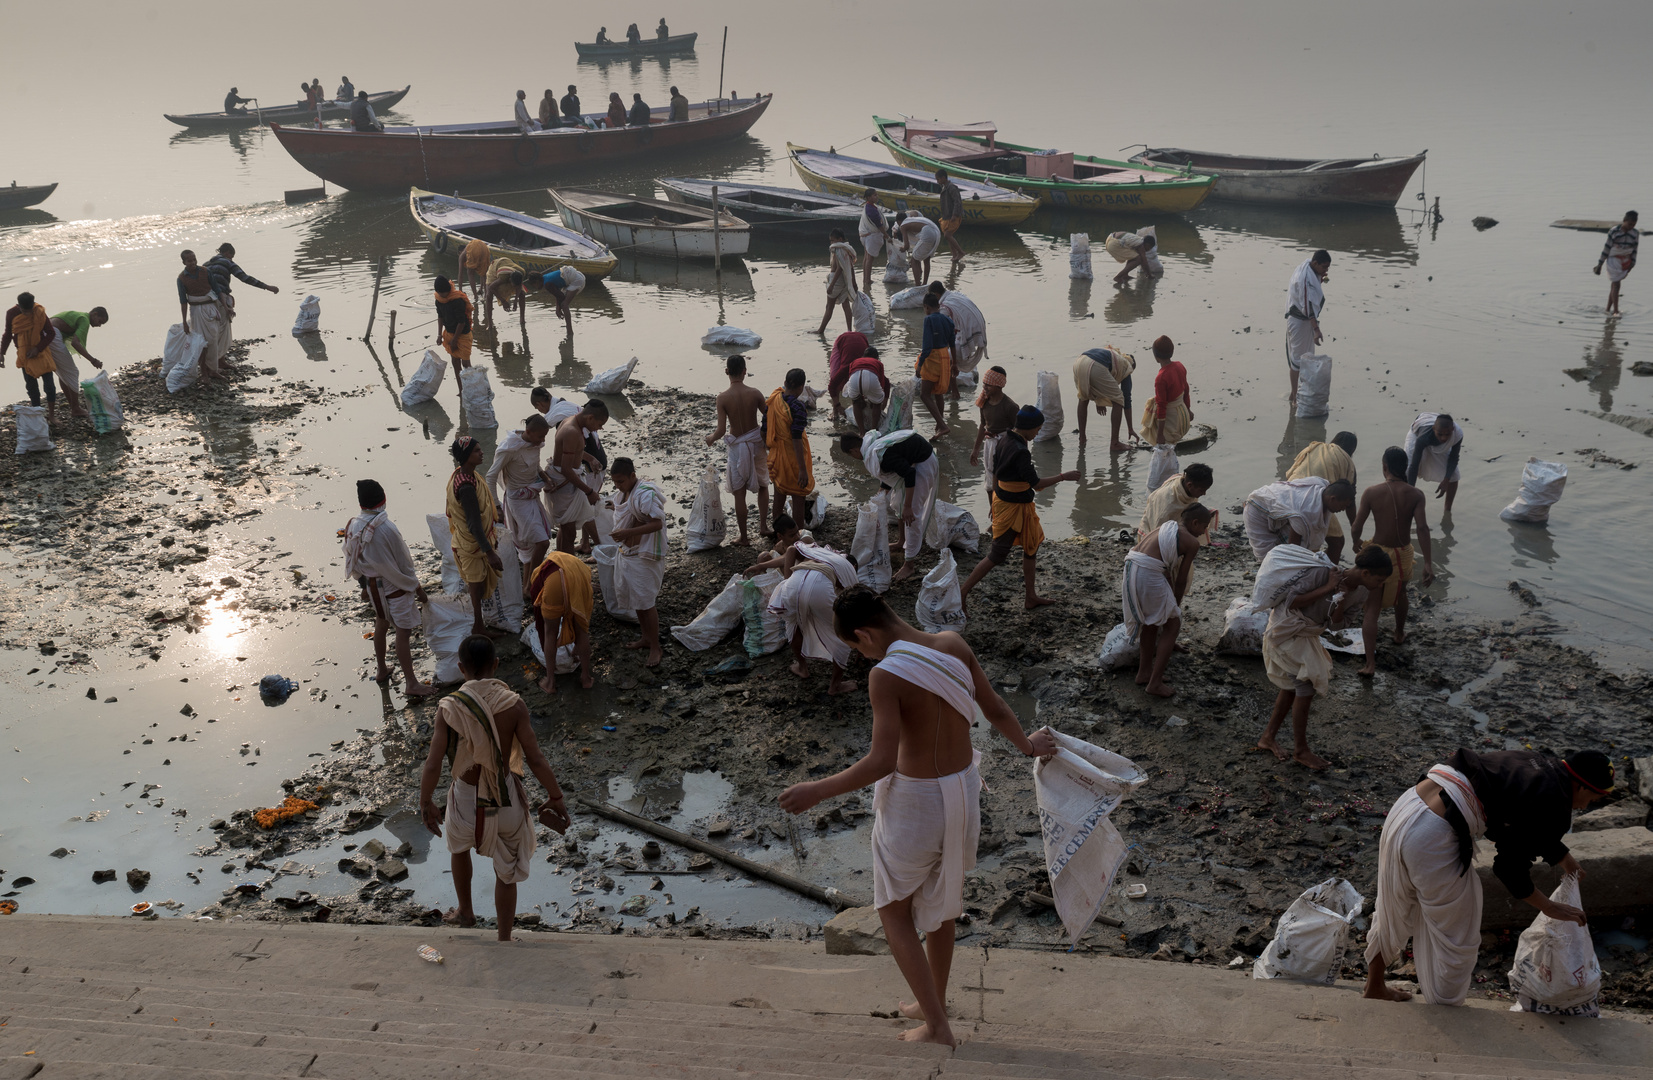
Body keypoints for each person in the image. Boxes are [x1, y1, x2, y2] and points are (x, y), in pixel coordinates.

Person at [778, 587, 1057, 1047]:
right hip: (964, 790)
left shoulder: (886, 676)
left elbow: (881, 762)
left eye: (857, 649)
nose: (864, 658)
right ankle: (934, 1003)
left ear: (864, 634)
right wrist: (1029, 746)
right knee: (942, 901)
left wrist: (817, 790)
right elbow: (996, 708)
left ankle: (937, 1027)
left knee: (893, 909)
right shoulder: (953, 644)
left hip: (917, 801)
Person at [1363, 748, 1613, 1006]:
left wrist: (1566, 860)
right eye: (1592, 798)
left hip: (1409, 805)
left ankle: (1375, 985)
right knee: (1459, 938)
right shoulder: (1555, 802)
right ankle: (1445, 1009)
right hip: (1431, 833)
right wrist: (1549, 907)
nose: (1586, 806)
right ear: (1582, 787)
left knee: (1394, 902)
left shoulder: (1537, 762)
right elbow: (1509, 868)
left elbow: (1527, 824)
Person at [419, 635, 570, 940]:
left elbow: (433, 764)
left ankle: (465, 911)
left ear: (461, 668)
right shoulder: (513, 704)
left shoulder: (449, 708)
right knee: (508, 869)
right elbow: (536, 759)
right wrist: (556, 796)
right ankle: (503, 936)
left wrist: (426, 802)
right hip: (504, 798)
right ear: (496, 665)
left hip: (464, 799)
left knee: (459, 849)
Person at [1257, 545, 1392, 770]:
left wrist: (1340, 600)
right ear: (1366, 573)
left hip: (1307, 633)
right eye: (1379, 580)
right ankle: (1300, 750)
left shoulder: (1362, 592)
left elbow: (1338, 625)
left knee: (1293, 687)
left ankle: (1268, 737)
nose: (1380, 586)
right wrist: (1329, 587)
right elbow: (1292, 601)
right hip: (1286, 626)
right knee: (1305, 684)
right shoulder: (1325, 573)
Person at [956, 406, 1081, 609]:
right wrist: (1062, 476)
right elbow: (1036, 483)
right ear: (1028, 428)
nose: (1038, 433)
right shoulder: (1020, 451)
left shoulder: (1005, 438)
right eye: (1037, 429)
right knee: (997, 555)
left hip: (1009, 500)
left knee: (1031, 546)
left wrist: (995, 497)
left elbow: (996, 470)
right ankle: (962, 592)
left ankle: (1030, 596)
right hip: (1012, 507)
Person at [344, 479, 438, 698]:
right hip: (393, 587)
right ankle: (411, 683)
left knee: (381, 623)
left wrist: (363, 584)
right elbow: (405, 565)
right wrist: (419, 591)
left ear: (362, 504)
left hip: (373, 587)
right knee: (402, 633)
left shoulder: (353, 526)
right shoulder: (386, 528)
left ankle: (382, 669)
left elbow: (351, 558)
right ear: (383, 499)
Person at [1350, 446, 1436, 677]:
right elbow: (1422, 528)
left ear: (1384, 467)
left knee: (1373, 608)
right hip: (1403, 553)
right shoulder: (1416, 494)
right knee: (1402, 595)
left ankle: (1369, 665)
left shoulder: (1371, 492)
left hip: (1377, 554)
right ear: (1404, 468)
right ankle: (1399, 634)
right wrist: (1428, 562)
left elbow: (1356, 526)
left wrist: (1356, 542)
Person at [747, 541, 860, 695]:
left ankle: (802, 668)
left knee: (793, 624)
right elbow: (854, 611)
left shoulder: (818, 551)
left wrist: (786, 580)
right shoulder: (848, 569)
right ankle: (835, 686)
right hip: (820, 587)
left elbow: (792, 549)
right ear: (853, 566)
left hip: (793, 584)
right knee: (841, 633)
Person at [1123, 504, 1211, 698]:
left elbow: (1166, 569)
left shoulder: (1167, 526)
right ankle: (1154, 683)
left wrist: (1169, 602)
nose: (1204, 532)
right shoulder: (1191, 543)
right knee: (1172, 625)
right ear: (1195, 523)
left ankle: (1144, 673)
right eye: (1204, 527)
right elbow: (1181, 579)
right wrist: (1175, 608)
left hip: (1132, 567)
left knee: (1151, 621)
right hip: (1146, 571)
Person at [841, 429, 941, 585]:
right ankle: (901, 541)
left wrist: (908, 506)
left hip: (923, 462)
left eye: (851, 456)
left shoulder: (879, 454)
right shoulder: (872, 443)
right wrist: (881, 494)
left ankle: (909, 565)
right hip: (913, 460)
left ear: (854, 450)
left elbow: (908, 474)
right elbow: (892, 471)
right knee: (897, 502)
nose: (854, 458)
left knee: (911, 516)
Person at [705, 354, 770, 546]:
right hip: (756, 442)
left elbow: (721, 430)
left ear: (726, 371)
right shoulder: (756, 393)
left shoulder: (723, 398)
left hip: (737, 448)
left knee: (739, 492)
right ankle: (764, 527)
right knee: (763, 485)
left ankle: (744, 537)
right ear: (744, 371)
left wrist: (710, 439)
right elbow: (768, 417)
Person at [610, 457, 667, 667]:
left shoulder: (645, 494)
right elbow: (626, 511)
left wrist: (628, 531)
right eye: (615, 482)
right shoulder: (624, 493)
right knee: (638, 602)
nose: (618, 486)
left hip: (643, 556)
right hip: (628, 552)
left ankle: (656, 647)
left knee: (646, 602)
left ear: (632, 476)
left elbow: (657, 523)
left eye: (621, 481)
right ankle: (646, 638)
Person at [444, 437, 504, 637]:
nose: (482, 453)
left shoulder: (468, 476)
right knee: (475, 586)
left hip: (471, 540)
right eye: (477, 451)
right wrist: (490, 553)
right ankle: (478, 627)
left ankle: (480, 625)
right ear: (466, 457)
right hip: (471, 544)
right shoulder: (466, 487)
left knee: (476, 585)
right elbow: (473, 524)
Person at [486, 413, 556, 576]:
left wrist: (547, 478)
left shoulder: (535, 444)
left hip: (532, 496)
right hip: (517, 501)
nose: (542, 440)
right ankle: (535, 579)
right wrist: (497, 506)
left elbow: (536, 466)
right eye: (540, 436)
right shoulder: (510, 447)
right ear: (529, 432)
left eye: (545, 436)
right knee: (543, 542)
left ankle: (527, 588)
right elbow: (490, 476)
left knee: (533, 544)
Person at [529, 548, 595, 694]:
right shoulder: (576, 564)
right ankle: (586, 678)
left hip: (554, 584)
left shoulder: (539, 574)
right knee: (582, 631)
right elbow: (584, 609)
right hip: (578, 580)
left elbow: (537, 609)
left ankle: (550, 682)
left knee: (550, 633)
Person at [1242, 476, 1355, 560]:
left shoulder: (1323, 485)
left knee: (1285, 553)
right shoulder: (1304, 512)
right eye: (1343, 506)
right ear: (1333, 499)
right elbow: (1294, 549)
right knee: (1269, 558)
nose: (1343, 509)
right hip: (1257, 508)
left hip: (1280, 512)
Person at [1285, 431, 1358, 562]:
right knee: (1337, 542)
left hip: (1288, 494)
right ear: (1352, 450)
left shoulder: (1314, 448)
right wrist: (1356, 536)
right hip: (1311, 500)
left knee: (1296, 540)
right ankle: (1327, 576)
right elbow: (1350, 502)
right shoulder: (1347, 462)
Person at [547, 401, 608, 553]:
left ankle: (561, 565)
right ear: (591, 418)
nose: (600, 428)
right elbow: (567, 469)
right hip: (565, 485)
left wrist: (589, 459)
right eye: (600, 424)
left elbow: (573, 451)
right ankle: (568, 572)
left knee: (567, 528)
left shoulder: (571, 422)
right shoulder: (572, 431)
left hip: (568, 482)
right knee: (569, 533)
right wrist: (589, 491)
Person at [205, 243, 280, 351]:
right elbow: (244, 278)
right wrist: (267, 287)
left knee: (212, 329)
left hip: (206, 301)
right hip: (220, 299)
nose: (232, 259)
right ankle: (219, 359)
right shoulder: (227, 262)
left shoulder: (206, 265)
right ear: (227, 253)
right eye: (232, 256)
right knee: (223, 329)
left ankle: (210, 358)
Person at [765, 368, 814, 528]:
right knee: (798, 498)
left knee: (779, 495)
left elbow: (764, 430)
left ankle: (778, 534)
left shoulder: (773, 401)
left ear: (785, 382)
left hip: (777, 456)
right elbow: (796, 438)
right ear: (801, 387)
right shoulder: (797, 407)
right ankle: (798, 538)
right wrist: (802, 469)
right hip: (793, 459)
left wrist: (772, 451)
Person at [1285, 250, 1330, 406]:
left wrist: (1320, 278)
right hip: (1299, 321)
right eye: (1324, 267)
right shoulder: (1304, 279)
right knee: (1297, 360)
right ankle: (1294, 395)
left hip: (1303, 321)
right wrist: (1316, 330)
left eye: (1327, 268)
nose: (1326, 271)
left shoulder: (1307, 266)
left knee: (1308, 357)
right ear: (1315, 263)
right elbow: (1308, 306)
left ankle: (1301, 393)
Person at [177, 250, 231, 380]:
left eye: (194, 259)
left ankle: (213, 369)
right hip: (196, 311)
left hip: (209, 308)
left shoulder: (205, 272)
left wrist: (226, 307)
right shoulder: (181, 278)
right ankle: (204, 372)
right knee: (200, 342)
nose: (193, 263)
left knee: (213, 339)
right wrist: (184, 322)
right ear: (184, 262)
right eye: (189, 261)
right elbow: (183, 302)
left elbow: (217, 291)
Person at [46, 308, 109, 420]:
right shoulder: (84, 319)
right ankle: (75, 408)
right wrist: (93, 360)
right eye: (100, 321)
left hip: (45, 332)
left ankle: (74, 407)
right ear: (94, 314)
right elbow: (75, 343)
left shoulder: (80, 315)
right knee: (73, 372)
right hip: (52, 334)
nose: (99, 326)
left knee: (64, 373)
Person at [3, 292, 58, 419]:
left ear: (33, 305)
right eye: (24, 311)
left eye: (29, 311)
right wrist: (2, 353)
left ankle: (52, 415)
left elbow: (50, 333)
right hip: (24, 354)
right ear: (19, 306)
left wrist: (37, 349)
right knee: (32, 388)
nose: (28, 314)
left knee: (49, 386)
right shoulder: (11, 313)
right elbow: (8, 334)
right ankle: (38, 416)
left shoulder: (39, 311)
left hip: (41, 352)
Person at [1072, 346, 1138, 450]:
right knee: (1119, 399)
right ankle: (1115, 443)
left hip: (1079, 362)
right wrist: (1130, 428)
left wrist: (1099, 401)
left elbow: (1098, 381)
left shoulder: (1113, 354)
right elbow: (1126, 398)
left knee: (1083, 397)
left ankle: (1082, 438)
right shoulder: (1126, 367)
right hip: (1096, 366)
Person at [928, 282, 986, 398]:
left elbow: (942, 331)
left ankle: (954, 392)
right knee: (949, 359)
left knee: (945, 359)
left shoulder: (944, 306)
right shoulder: (954, 295)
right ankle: (951, 389)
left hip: (968, 333)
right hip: (977, 330)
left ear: (936, 294)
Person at [969, 366, 1017, 496]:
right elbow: (983, 425)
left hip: (1005, 446)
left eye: (988, 385)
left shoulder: (1010, 406)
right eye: (984, 384)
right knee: (990, 480)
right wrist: (975, 449)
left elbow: (1019, 432)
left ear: (999, 386)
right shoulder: (984, 401)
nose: (984, 388)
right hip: (990, 444)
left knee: (1004, 479)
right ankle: (993, 513)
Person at [1405, 412, 1464, 514]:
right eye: (1440, 434)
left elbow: (1454, 458)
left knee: (1454, 475)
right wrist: (1412, 493)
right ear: (1434, 429)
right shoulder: (1423, 438)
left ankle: (1447, 511)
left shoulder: (1457, 434)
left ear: (1452, 430)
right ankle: (1404, 506)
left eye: (1447, 434)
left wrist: (1446, 480)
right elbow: (1414, 466)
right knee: (1406, 471)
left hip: (1435, 439)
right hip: (1417, 435)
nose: (1444, 438)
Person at [1138, 463, 1214, 540]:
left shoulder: (1184, 481)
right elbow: (1158, 532)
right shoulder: (1168, 503)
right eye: (1202, 490)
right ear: (1189, 485)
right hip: (1152, 534)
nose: (1204, 494)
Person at [1140, 336, 1191, 446]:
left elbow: (1161, 407)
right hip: (1184, 415)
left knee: (1165, 449)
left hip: (1173, 421)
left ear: (1156, 357)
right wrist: (1189, 410)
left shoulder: (1161, 378)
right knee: (1170, 449)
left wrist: (1160, 434)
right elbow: (1186, 390)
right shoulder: (1180, 366)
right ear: (1172, 352)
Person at [915, 293, 954, 437]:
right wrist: (954, 363)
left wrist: (920, 364)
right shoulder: (948, 320)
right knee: (938, 393)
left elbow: (927, 346)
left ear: (926, 307)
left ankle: (942, 425)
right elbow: (953, 344)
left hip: (933, 358)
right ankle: (939, 425)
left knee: (924, 394)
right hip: (945, 356)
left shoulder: (929, 320)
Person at [1594, 210, 1638, 315]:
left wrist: (1632, 263)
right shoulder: (1614, 231)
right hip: (1613, 259)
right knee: (1616, 284)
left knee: (1614, 284)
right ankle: (1616, 311)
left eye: (1633, 224)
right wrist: (1600, 264)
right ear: (1624, 221)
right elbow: (1607, 248)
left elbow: (1635, 249)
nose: (1631, 226)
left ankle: (1608, 309)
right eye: (1629, 224)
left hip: (1625, 260)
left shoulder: (1635, 233)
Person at [818, 228, 859, 335]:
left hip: (836, 281)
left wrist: (831, 285)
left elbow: (839, 268)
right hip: (844, 281)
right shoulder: (847, 249)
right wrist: (854, 282)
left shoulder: (838, 250)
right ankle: (849, 330)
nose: (831, 243)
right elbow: (850, 267)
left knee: (829, 307)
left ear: (839, 239)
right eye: (830, 241)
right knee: (845, 305)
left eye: (833, 240)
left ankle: (820, 330)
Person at [433, 276, 474, 381]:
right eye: (441, 293)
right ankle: (461, 390)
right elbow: (440, 317)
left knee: (465, 363)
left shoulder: (457, 300)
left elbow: (461, 322)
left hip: (463, 334)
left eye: (445, 293)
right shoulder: (439, 300)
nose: (443, 296)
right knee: (455, 362)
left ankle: (471, 387)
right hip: (450, 332)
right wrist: (439, 335)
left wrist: (455, 339)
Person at [842, 347, 889, 434]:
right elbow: (881, 383)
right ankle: (873, 431)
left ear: (863, 356)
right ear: (877, 357)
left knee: (855, 403)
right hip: (871, 376)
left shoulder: (855, 361)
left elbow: (851, 377)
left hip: (854, 378)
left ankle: (862, 432)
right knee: (876, 404)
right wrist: (874, 401)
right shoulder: (878, 363)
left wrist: (861, 399)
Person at [826, 329, 869, 422]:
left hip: (862, 338)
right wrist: (837, 405)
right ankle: (834, 411)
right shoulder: (846, 367)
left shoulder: (869, 372)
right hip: (843, 339)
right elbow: (832, 386)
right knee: (834, 375)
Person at [535, 267, 585, 337]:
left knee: (564, 304)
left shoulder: (547, 284)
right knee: (563, 304)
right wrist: (558, 308)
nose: (535, 287)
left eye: (534, 285)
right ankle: (569, 330)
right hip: (577, 276)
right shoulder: (545, 277)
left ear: (537, 281)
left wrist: (558, 308)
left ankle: (569, 332)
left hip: (576, 280)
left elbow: (561, 296)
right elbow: (558, 294)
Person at [895, 211, 941, 285]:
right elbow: (914, 213)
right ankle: (924, 284)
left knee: (914, 261)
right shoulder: (911, 219)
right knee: (926, 259)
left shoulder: (903, 225)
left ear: (898, 221)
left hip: (927, 232)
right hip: (936, 232)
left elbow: (906, 246)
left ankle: (918, 285)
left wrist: (901, 249)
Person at [484, 257, 528, 332]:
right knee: (488, 295)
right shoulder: (503, 277)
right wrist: (503, 301)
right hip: (494, 267)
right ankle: (490, 323)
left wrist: (515, 300)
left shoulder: (521, 272)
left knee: (522, 293)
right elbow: (491, 287)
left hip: (507, 263)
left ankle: (522, 319)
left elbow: (519, 286)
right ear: (510, 280)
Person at [857, 189, 888, 293]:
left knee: (866, 256)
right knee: (869, 258)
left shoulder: (868, 206)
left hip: (865, 235)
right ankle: (867, 279)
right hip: (870, 236)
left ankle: (865, 279)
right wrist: (886, 235)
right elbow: (879, 225)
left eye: (877, 195)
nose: (877, 197)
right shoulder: (871, 209)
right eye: (875, 195)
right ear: (869, 197)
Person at [935, 169, 965, 264]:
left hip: (953, 216)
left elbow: (957, 201)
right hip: (946, 216)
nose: (937, 181)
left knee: (947, 235)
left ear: (944, 178)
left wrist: (954, 214)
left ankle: (960, 252)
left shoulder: (951, 187)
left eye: (938, 179)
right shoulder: (945, 187)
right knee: (948, 236)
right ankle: (954, 255)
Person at [458, 238, 490, 302]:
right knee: (483, 273)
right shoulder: (469, 246)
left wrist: (460, 290)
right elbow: (481, 274)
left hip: (474, 248)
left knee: (470, 273)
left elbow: (460, 274)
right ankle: (486, 296)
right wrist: (481, 288)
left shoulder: (463, 254)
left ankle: (475, 296)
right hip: (484, 247)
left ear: (460, 252)